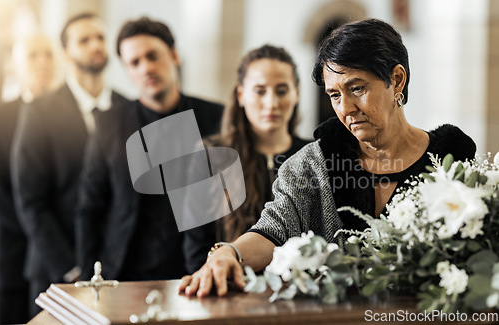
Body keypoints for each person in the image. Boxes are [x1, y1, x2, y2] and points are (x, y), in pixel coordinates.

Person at [178, 18, 476, 297]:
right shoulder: (310, 164)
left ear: (397, 80)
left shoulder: (451, 162)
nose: (346, 107)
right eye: (334, 95)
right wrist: (231, 253)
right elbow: (273, 230)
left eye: (356, 88)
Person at [75, 17, 223, 283]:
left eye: (153, 56)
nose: (146, 68)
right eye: (135, 62)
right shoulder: (109, 123)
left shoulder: (217, 119)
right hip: (122, 272)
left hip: (195, 272)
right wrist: (88, 276)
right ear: (127, 70)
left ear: (174, 55)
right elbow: (90, 206)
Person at [10, 13, 128, 317]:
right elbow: (31, 200)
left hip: (119, 271)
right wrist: (71, 267)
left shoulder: (127, 109)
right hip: (55, 270)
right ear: (66, 53)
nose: (95, 45)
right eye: (84, 40)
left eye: (100, 38)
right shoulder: (40, 111)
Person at [210, 45, 309, 242]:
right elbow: (195, 247)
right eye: (260, 91)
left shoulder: (313, 155)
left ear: (296, 94)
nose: (271, 103)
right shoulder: (210, 157)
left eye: (281, 91)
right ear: (241, 95)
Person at [0, 32, 56, 324]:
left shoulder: (70, 116)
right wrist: (35, 225)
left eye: (48, 55)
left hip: (58, 252)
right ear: (15, 64)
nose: (42, 63)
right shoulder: (2, 116)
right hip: (11, 247)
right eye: (32, 56)